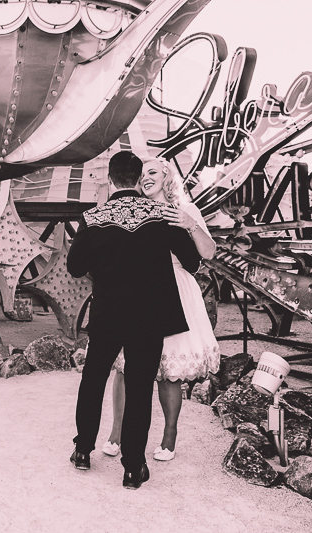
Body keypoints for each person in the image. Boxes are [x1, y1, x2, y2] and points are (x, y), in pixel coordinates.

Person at [66, 151, 201, 489]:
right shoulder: (162, 215)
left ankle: (83, 451)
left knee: (93, 380)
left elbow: (75, 267)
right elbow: (192, 262)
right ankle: (133, 468)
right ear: (139, 178)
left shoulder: (94, 217)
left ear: (110, 179)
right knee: (140, 387)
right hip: (149, 316)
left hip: (107, 313)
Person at [100, 157, 220, 461]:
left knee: (169, 371)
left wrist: (190, 224)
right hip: (138, 289)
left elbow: (208, 253)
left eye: (152, 172)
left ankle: (169, 436)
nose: (146, 177)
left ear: (167, 176)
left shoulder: (185, 209)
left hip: (176, 290)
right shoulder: (133, 210)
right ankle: (117, 432)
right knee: (125, 367)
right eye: (142, 174)